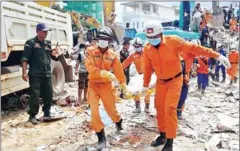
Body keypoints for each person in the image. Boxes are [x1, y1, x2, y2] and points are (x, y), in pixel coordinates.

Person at [142, 21, 230, 151]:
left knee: (170, 109)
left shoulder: (174, 42)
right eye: (150, 38)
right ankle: (163, 135)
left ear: (161, 34)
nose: (152, 40)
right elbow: (148, 68)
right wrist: (145, 85)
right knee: (159, 108)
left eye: (155, 37)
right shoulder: (147, 48)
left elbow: (195, 49)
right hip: (160, 82)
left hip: (175, 80)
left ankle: (170, 142)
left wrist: (216, 55)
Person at [85, 27, 130, 150]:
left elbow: (119, 72)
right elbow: (90, 67)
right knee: (94, 111)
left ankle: (118, 121)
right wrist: (103, 73)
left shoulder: (113, 55)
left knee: (111, 110)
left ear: (109, 40)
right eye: (101, 38)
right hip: (93, 85)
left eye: (105, 39)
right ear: (97, 38)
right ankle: (101, 138)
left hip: (106, 86)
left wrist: (123, 85)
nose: (103, 41)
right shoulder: (90, 51)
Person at [20, 23, 60, 124]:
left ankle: (47, 113)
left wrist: (55, 54)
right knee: (35, 95)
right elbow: (25, 59)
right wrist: (24, 72)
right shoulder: (31, 43)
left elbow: (51, 57)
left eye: (47, 31)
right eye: (44, 31)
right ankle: (32, 115)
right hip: (35, 74)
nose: (46, 33)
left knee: (48, 94)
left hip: (47, 73)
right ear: (37, 31)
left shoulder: (48, 43)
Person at [122, 37, 151, 113]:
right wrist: (116, 68)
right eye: (135, 47)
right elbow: (125, 63)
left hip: (148, 75)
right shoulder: (133, 55)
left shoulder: (147, 53)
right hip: (138, 75)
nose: (137, 48)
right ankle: (137, 107)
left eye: (138, 46)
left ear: (141, 45)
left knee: (147, 91)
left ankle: (147, 106)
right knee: (135, 90)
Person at [177, 39, 201, 120]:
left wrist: (194, 70)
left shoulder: (193, 55)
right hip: (179, 75)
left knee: (183, 95)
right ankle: (175, 111)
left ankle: (179, 112)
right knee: (178, 94)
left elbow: (194, 63)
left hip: (186, 75)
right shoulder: (183, 53)